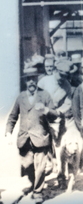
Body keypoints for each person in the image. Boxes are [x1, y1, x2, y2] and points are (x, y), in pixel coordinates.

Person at [5, 67, 59, 204]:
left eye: (33, 79)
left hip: (41, 137)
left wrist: (46, 110)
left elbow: (55, 114)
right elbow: (13, 116)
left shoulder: (45, 95)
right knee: (27, 164)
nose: (31, 82)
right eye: (29, 80)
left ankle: (38, 192)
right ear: (25, 82)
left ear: (37, 80)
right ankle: (35, 182)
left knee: (40, 166)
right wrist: (8, 132)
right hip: (24, 138)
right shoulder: (21, 97)